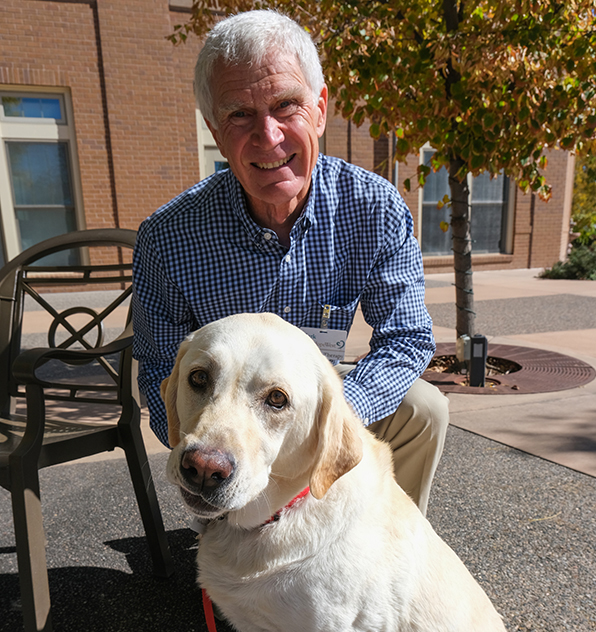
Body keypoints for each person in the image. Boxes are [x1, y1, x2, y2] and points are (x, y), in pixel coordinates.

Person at [132, 9, 449, 515]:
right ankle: (232, 520)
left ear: (320, 109)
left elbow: (407, 339)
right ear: (214, 127)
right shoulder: (167, 237)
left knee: (424, 409)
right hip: (223, 411)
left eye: (286, 106)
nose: (269, 136)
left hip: (320, 395)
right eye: (239, 114)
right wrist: (201, 446)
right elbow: (158, 365)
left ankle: (390, 543)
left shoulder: (375, 209)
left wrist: (330, 419)